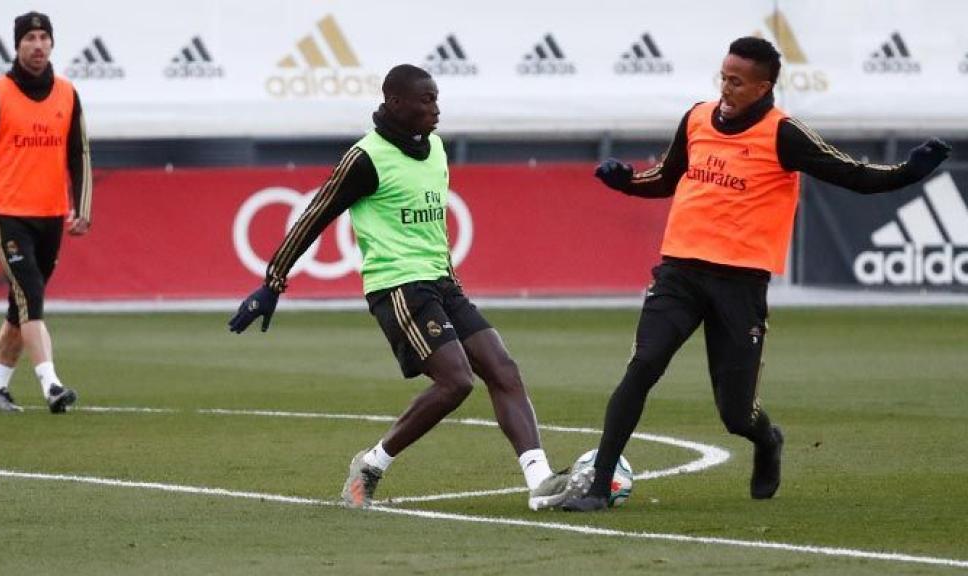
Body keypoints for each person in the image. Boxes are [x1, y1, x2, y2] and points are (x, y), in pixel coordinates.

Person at [562, 37, 951, 511]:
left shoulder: (783, 133)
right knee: (643, 366)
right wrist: (625, 180)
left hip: (740, 285)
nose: (725, 88)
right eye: (723, 77)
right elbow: (665, 177)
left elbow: (851, 174)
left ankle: (767, 441)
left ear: (764, 87)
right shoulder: (697, 119)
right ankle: (600, 486)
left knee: (735, 414)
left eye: (736, 81)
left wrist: (908, 173)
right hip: (679, 272)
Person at [229, 64, 581, 510]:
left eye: (437, 98)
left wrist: (450, 278)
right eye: (426, 100)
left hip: (441, 283)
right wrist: (272, 282)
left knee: (503, 369)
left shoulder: (434, 148)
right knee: (455, 381)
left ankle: (540, 481)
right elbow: (314, 215)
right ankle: (371, 465)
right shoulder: (365, 157)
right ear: (395, 103)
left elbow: (434, 229)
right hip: (397, 286)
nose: (436, 109)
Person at [0, 11, 93, 414]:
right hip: (7, 212)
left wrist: (82, 208)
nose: (37, 45)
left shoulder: (68, 94)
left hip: (51, 214)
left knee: (20, 306)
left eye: (43, 37)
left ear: (52, 44)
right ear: (16, 46)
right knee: (31, 293)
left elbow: (79, 154)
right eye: (29, 38)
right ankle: (51, 384)